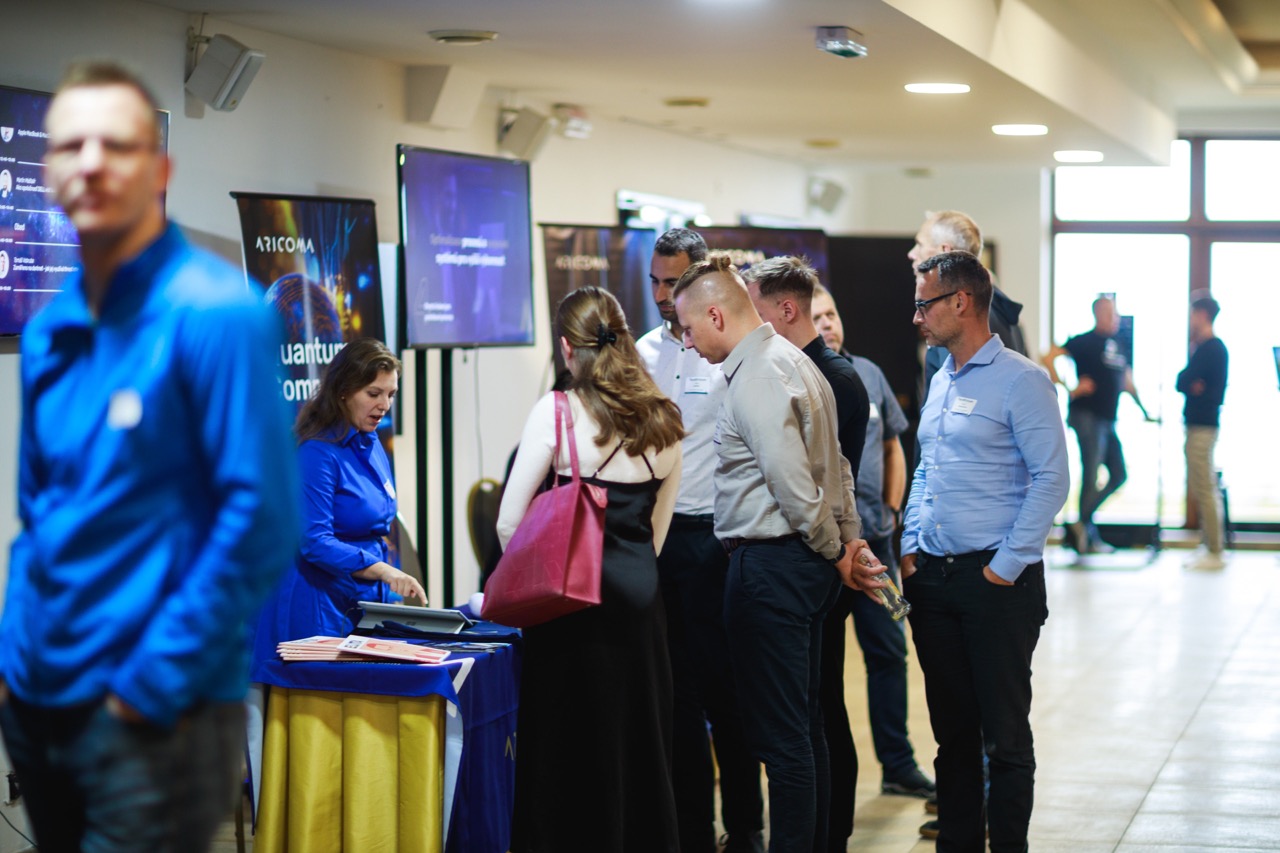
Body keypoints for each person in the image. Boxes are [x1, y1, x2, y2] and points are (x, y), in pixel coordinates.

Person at [0, 61, 299, 852]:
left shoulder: (218, 314)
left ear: (158, 169)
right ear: (47, 171)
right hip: (40, 698)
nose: (91, 163)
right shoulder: (51, 329)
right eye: (71, 145)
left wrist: (151, 680)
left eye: (117, 144)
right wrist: (11, 658)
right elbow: (41, 518)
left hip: (154, 710)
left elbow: (262, 521)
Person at [674, 255, 881, 853]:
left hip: (774, 567)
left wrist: (836, 548)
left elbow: (794, 484)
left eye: (689, 328)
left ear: (716, 316)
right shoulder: (793, 358)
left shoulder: (760, 376)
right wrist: (845, 539)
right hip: (799, 563)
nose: (687, 342)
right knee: (806, 730)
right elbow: (838, 469)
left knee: (783, 743)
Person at [498, 286, 685, 852]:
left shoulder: (556, 412)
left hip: (568, 609)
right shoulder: (666, 419)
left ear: (565, 347)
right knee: (638, 748)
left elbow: (509, 524)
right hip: (640, 609)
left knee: (562, 756)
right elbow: (656, 534)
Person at [900, 251, 1069, 853]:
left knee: (1004, 738)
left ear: (961, 302)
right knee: (952, 737)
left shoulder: (1023, 380)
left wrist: (1005, 566)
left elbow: (1052, 479)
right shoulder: (941, 375)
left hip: (996, 584)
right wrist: (910, 544)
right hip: (934, 581)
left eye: (924, 304)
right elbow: (926, 468)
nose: (917, 317)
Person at [637, 228, 764, 853]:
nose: (663, 295)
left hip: (720, 539)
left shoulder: (732, 352)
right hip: (661, 541)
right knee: (677, 698)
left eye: (673, 282)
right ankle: (690, 830)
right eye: (655, 283)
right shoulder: (641, 353)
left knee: (728, 693)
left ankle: (746, 828)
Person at [742, 257, 874, 853]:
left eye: (755, 309)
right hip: (816, 555)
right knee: (811, 713)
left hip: (815, 560)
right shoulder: (798, 368)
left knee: (816, 715)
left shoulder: (828, 377)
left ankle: (830, 834)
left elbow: (822, 481)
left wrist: (839, 545)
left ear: (786, 310)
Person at [811, 283, 935, 800]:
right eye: (816, 317)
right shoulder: (798, 378)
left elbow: (893, 445)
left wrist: (891, 510)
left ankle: (898, 765)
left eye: (831, 314)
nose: (827, 324)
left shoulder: (869, 374)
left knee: (889, 652)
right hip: (825, 553)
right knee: (823, 666)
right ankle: (825, 772)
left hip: (876, 547)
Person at [251, 338, 425, 670]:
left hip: (362, 596)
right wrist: (382, 570)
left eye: (390, 394)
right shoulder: (317, 453)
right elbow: (314, 542)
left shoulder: (370, 442)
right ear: (344, 391)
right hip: (321, 601)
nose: (384, 405)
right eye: (374, 394)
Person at [1042, 296, 1152, 554]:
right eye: (1109, 313)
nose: (1114, 318)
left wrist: (1144, 411)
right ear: (1098, 313)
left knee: (1119, 474)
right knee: (1091, 474)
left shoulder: (1119, 344)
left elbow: (1127, 382)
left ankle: (1082, 524)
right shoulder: (1084, 341)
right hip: (1086, 416)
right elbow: (1048, 357)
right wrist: (1069, 387)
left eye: (1115, 313)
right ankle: (1086, 537)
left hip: (1108, 419)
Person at [908, 210, 1027, 400]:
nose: (911, 254)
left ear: (944, 252)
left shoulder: (965, 319)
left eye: (920, 244)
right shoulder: (1002, 311)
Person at [1176, 294, 1229, 571]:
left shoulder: (1213, 348)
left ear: (1202, 315)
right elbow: (1183, 381)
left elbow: (1191, 382)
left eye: (1192, 314)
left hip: (1204, 426)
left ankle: (1215, 550)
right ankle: (1209, 545)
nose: (1190, 320)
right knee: (1201, 486)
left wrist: (1192, 384)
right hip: (1198, 424)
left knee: (1206, 488)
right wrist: (1190, 384)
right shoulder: (1202, 347)